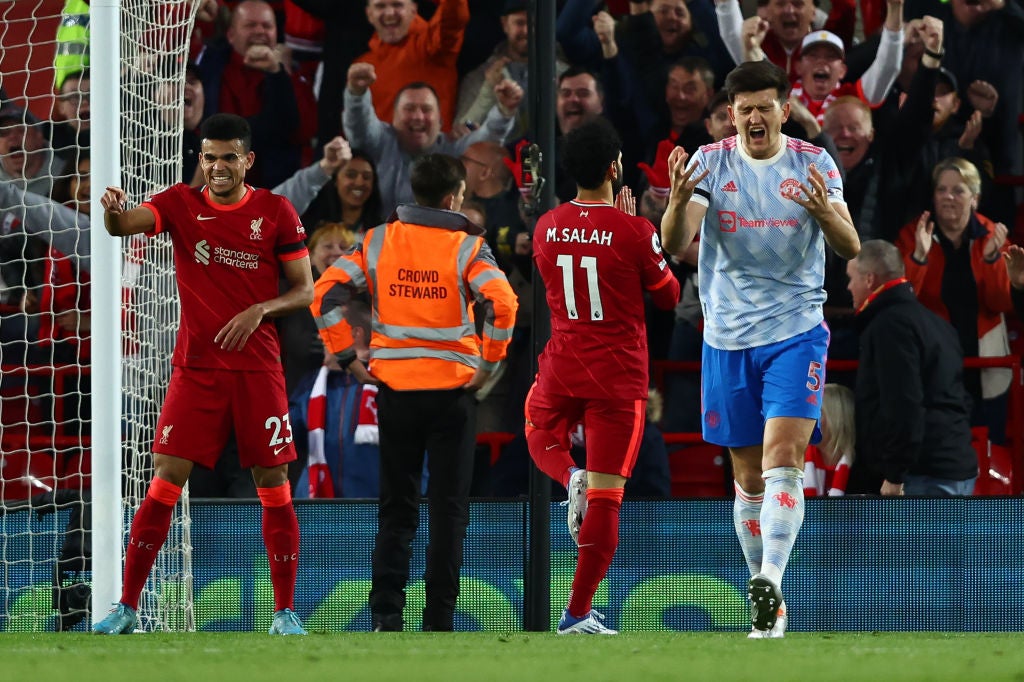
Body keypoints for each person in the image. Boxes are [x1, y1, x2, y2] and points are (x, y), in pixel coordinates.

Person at [92, 113, 312, 636]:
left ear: (248, 160)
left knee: (273, 482)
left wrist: (260, 309)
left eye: (229, 157)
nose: (217, 167)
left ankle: (284, 612)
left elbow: (305, 289)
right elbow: (123, 228)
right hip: (196, 368)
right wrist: (113, 213)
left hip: (258, 368)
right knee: (166, 478)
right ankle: (127, 606)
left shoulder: (275, 210)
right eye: (209, 157)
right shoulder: (178, 204)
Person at [663, 60, 860, 638]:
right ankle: (766, 607)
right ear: (731, 114)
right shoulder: (709, 162)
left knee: (784, 457)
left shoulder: (813, 163)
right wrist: (675, 204)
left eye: (765, 106)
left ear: (784, 109)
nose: (754, 116)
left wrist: (825, 212)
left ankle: (772, 575)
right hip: (726, 336)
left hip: (796, 329)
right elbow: (677, 245)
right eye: (744, 108)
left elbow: (848, 246)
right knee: (748, 477)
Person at [310, 153, 517, 632]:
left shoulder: (378, 241)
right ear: (453, 198)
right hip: (453, 396)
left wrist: (347, 359)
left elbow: (325, 294)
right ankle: (439, 618)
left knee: (396, 507)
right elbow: (503, 302)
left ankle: (386, 613)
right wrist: (488, 365)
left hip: (394, 394)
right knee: (449, 511)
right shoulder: (467, 248)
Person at [526, 116, 682, 635]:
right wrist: (641, 239)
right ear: (615, 167)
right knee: (607, 497)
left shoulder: (546, 226)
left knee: (537, 432)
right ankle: (575, 613)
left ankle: (567, 474)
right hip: (618, 375)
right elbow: (669, 297)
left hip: (564, 361)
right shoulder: (635, 230)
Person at [845, 239, 978, 496]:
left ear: (870, 279)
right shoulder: (937, 324)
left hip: (922, 475)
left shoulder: (889, 326)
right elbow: (961, 399)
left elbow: (903, 403)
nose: (849, 287)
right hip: (955, 465)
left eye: (851, 278)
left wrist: (895, 474)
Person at [894, 157, 1013, 444]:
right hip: (933, 364)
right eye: (941, 190)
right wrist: (919, 257)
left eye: (958, 190)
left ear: (975, 198)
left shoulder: (993, 236)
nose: (948, 197)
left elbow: (1000, 304)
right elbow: (902, 304)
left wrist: (993, 259)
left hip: (985, 361)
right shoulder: (912, 235)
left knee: (989, 447)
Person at [802, 383, 854, 496]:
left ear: (836, 418)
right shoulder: (797, 463)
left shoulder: (864, 467)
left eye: (815, 413)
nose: (807, 419)